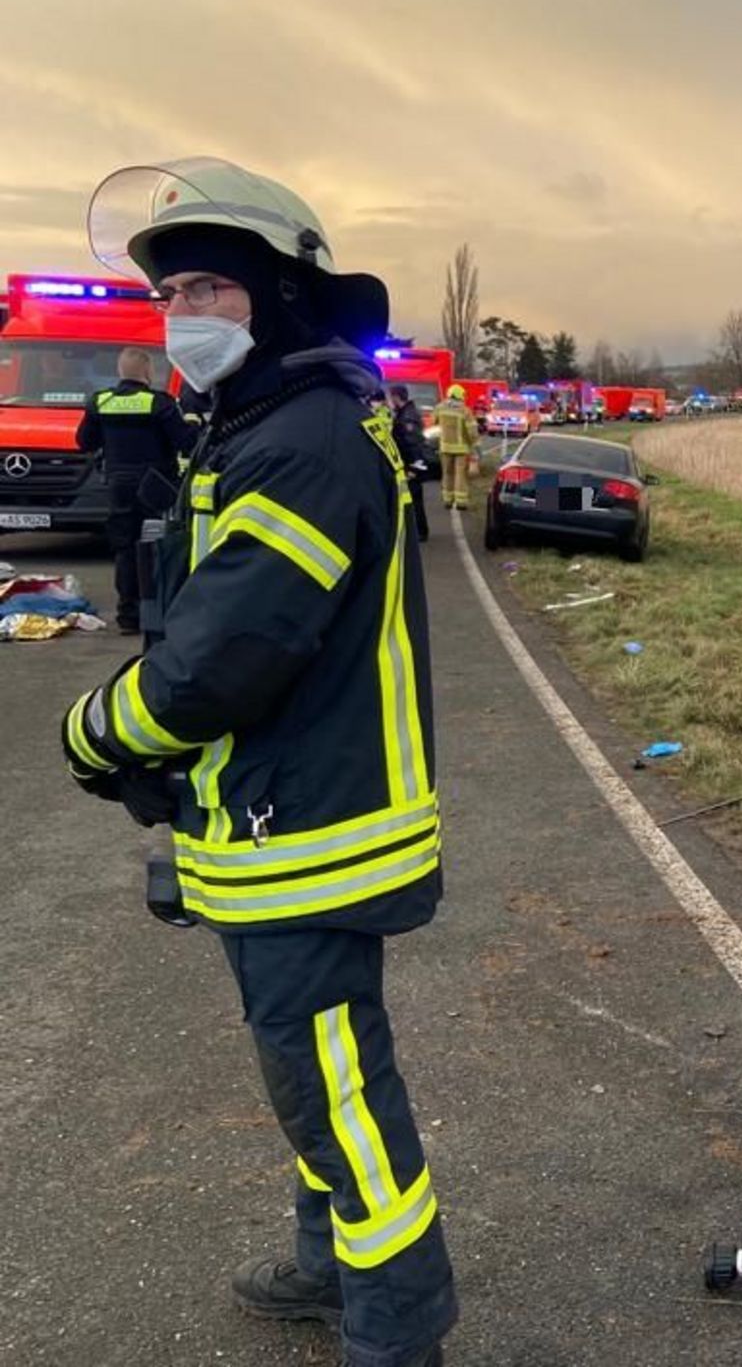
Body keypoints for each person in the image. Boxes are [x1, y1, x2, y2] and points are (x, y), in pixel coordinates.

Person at [60, 158, 455, 1367]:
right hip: (268, 824)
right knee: (307, 1080)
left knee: (339, 1089)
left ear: (280, 300)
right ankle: (327, 1263)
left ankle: (395, 1331)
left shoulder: (302, 440)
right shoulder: (260, 424)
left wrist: (96, 731)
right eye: (171, 288)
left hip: (313, 833)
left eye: (211, 290)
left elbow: (221, 658)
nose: (183, 312)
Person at [74, 346, 194, 633]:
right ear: (148, 371)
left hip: (118, 486)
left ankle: (128, 615)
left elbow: (84, 442)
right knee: (158, 546)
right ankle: (159, 611)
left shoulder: (100, 402)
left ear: (120, 371)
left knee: (125, 549)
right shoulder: (160, 403)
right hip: (155, 486)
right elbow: (186, 442)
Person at [388, 384, 431, 542]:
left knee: (414, 499)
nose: (390, 400)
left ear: (396, 397)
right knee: (411, 499)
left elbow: (413, 444)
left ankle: (420, 531)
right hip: (408, 464)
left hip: (411, 465)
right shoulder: (404, 413)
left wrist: (413, 467)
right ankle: (417, 530)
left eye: (391, 396)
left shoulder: (407, 417)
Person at [433, 384, 473, 510]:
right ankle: (461, 502)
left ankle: (447, 500)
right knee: (460, 474)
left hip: (445, 447)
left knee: (447, 473)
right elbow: (471, 431)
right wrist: (475, 445)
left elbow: (434, 423)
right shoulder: (465, 411)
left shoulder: (439, 408)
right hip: (461, 448)